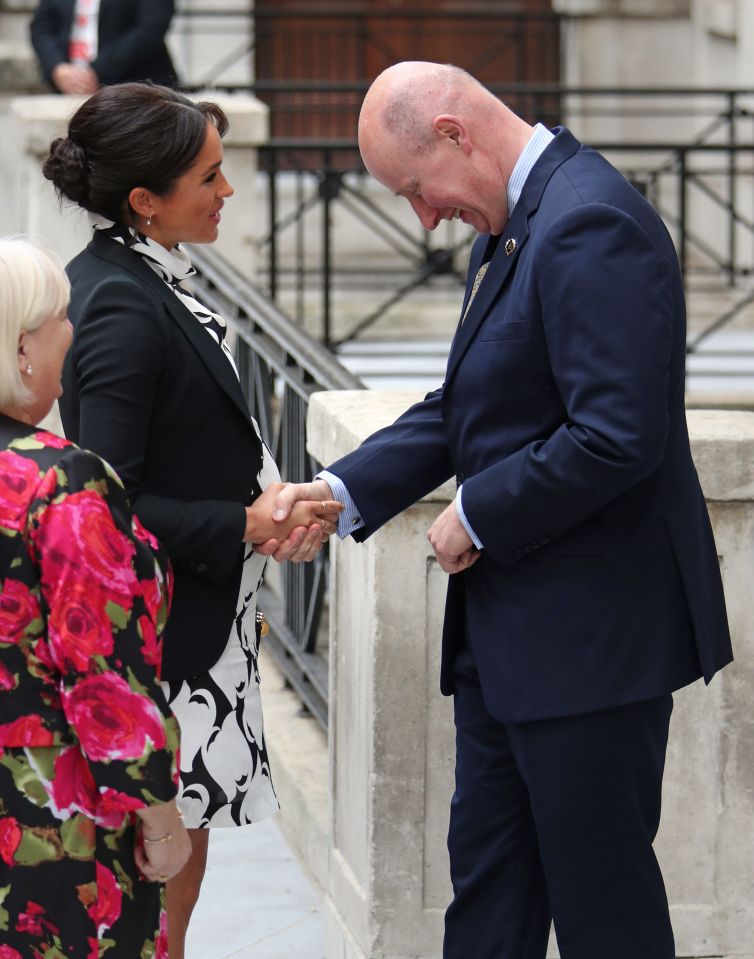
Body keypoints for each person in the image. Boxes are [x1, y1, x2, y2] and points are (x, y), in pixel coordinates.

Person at [270, 62, 734, 959]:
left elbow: (617, 434)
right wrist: (339, 491)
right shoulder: (517, 223)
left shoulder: (590, 222)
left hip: (593, 650)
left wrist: (477, 511)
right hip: (511, 646)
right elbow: (468, 406)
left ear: (454, 134)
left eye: (416, 189)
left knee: (608, 919)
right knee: (488, 903)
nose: (424, 216)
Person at [42, 82, 342, 959]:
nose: (228, 191)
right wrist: (242, 524)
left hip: (201, 623)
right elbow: (106, 501)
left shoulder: (139, 274)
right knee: (162, 851)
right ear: (144, 200)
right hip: (167, 640)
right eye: (210, 176)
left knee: (183, 839)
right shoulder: (120, 305)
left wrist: (258, 514)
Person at [0, 235, 191, 955]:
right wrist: (161, 820)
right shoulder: (60, 484)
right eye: (59, 318)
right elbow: (107, 674)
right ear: (23, 347)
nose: (71, 332)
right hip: (51, 827)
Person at [30, 0, 177, 95]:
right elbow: (42, 27)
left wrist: (94, 72)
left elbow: (151, 29)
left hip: (137, 92)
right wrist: (58, 68)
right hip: (68, 91)